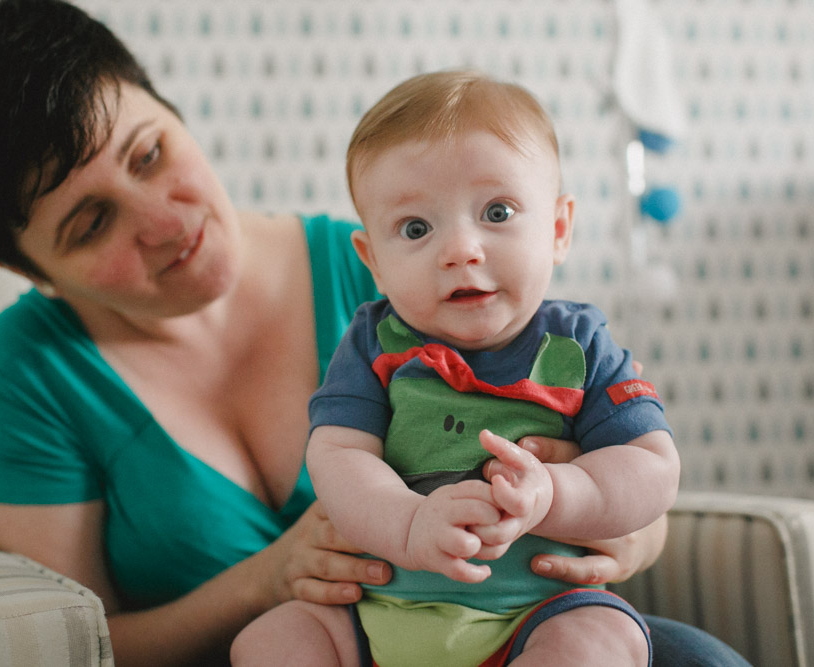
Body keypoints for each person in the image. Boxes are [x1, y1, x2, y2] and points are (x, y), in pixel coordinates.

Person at [0, 1, 749, 665]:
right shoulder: (32, 368)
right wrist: (263, 583)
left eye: (149, 153)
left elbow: (629, 463)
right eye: (90, 224)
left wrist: (608, 522)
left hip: (519, 618)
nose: (162, 220)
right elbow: (75, 642)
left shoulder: (401, 273)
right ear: (24, 266)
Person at [230, 71, 679, 667]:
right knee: (268, 643)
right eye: (416, 228)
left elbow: (651, 465)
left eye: (497, 211)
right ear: (375, 263)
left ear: (559, 229)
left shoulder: (581, 345)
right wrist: (409, 522)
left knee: (598, 643)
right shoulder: (373, 343)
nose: (460, 248)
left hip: (537, 614)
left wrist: (555, 493)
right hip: (377, 612)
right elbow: (337, 456)